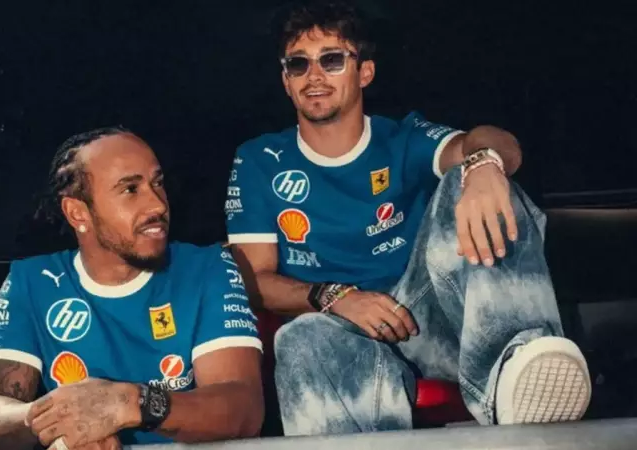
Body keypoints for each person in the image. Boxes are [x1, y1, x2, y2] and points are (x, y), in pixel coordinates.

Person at [226, 0, 592, 436]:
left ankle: (515, 368)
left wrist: (486, 164)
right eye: (299, 64)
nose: (315, 75)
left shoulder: (402, 138)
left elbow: (491, 141)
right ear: (286, 80)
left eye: (332, 60)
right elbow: (254, 279)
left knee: (471, 176)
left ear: (364, 72)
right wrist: (335, 297)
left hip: (427, 319)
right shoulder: (260, 160)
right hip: (338, 331)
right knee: (299, 337)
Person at [0, 127, 264, 450]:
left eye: (157, 183)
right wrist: (67, 422)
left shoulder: (207, 267)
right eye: (130, 189)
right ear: (78, 213)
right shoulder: (33, 281)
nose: (157, 205)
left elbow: (243, 409)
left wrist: (131, 402)